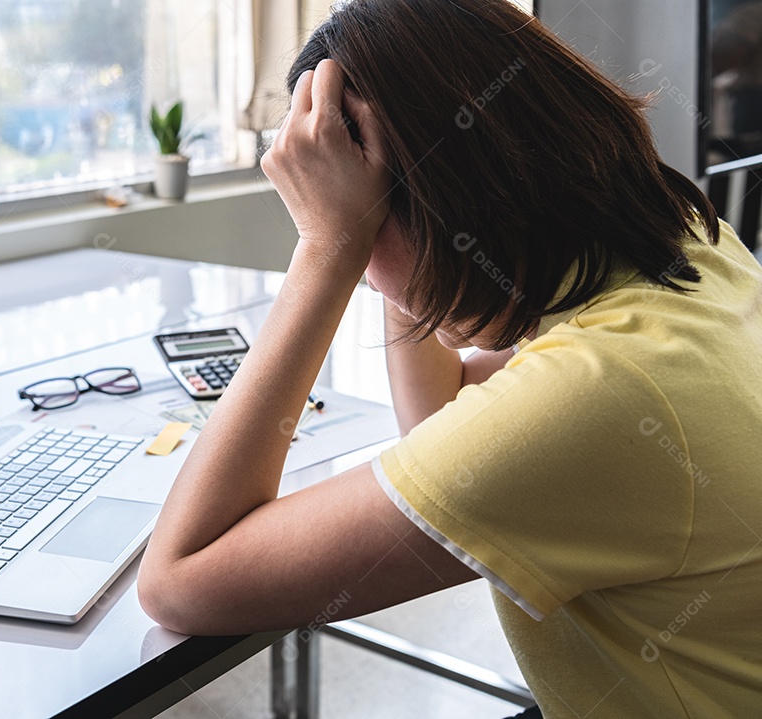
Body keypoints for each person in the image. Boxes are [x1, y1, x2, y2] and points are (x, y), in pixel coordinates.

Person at [137, 1, 762, 716]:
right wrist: (386, 218)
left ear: (440, 203)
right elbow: (441, 416)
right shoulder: (687, 241)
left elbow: (179, 581)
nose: (371, 277)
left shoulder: (600, 395)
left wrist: (328, 250)